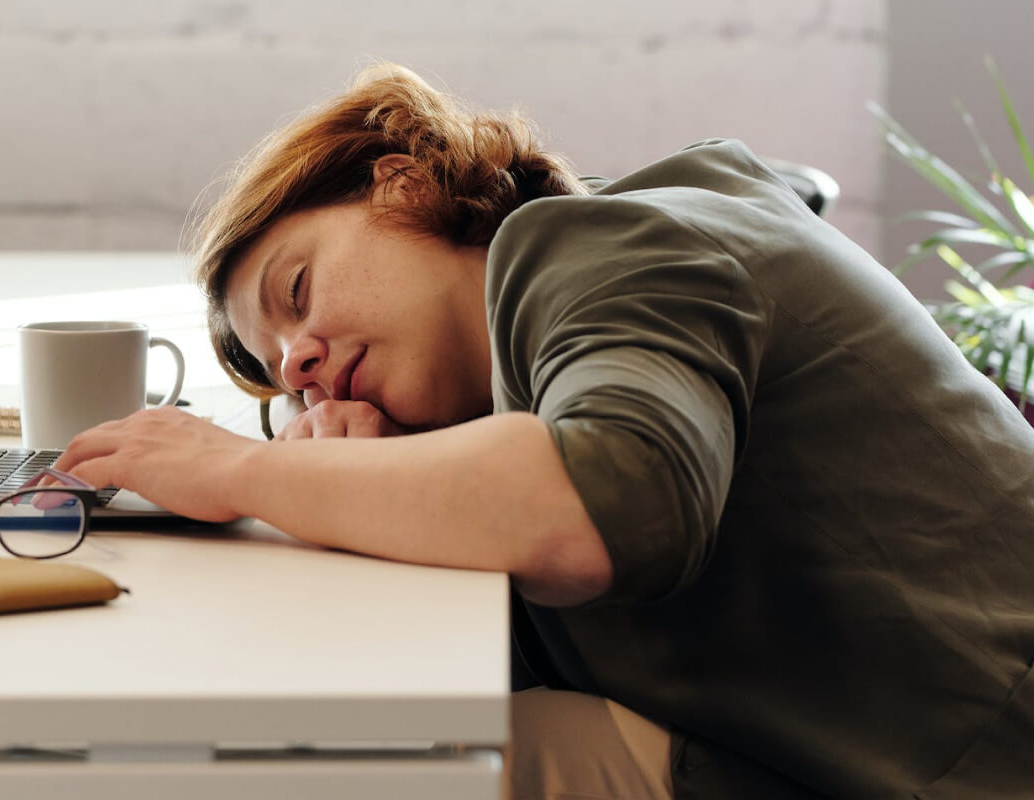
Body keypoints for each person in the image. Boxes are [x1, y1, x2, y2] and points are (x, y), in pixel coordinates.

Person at [51, 63, 1034, 798]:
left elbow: (611, 499)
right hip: (916, 740)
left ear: (400, 184)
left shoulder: (591, 246)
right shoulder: (563, 313)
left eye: (298, 291)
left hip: (983, 761)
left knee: (406, 760)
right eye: (283, 375)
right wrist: (371, 478)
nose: (302, 361)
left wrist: (241, 472)